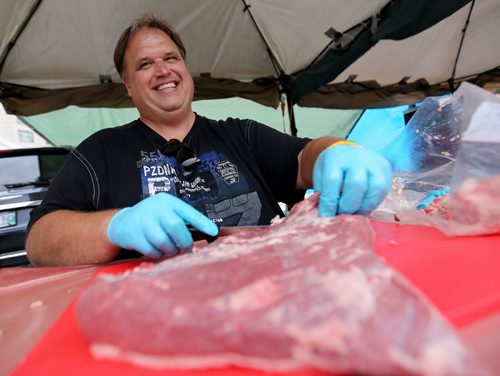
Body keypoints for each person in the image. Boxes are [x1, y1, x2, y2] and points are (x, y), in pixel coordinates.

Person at [26, 16, 392, 267]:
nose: (163, 70)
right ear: (127, 84)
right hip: (160, 315)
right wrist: (115, 225)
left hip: (270, 297)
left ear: (186, 69)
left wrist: (336, 151)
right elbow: (40, 241)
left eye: (171, 58)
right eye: (145, 64)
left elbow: (302, 158)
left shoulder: (241, 135)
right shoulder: (100, 152)